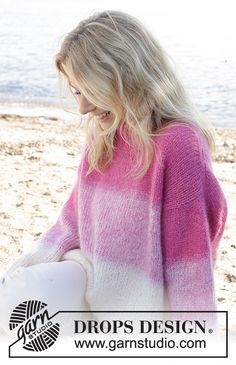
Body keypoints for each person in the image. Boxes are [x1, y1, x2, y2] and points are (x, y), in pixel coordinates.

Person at [0, 10, 228, 338]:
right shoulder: (102, 134)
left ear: (126, 76)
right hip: (86, 277)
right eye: (77, 92)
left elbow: (188, 262)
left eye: (90, 91)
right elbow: (73, 221)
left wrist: (196, 341)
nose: (83, 109)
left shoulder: (178, 143)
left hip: (139, 313)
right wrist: (24, 270)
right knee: (13, 301)